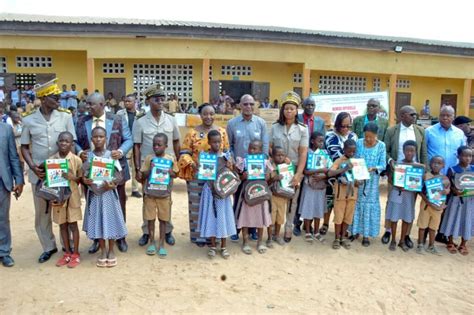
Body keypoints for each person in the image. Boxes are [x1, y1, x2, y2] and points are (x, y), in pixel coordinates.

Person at [21, 78, 77, 263]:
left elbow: (72, 144)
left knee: (63, 208)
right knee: (42, 212)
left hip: (61, 173)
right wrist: (33, 167)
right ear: (44, 99)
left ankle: (67, 245)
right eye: (55, 97)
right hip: (40, 173)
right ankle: (48, 246)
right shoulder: (29, 120)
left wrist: (72, 169)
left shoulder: (65, 116)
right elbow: (24, 147)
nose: (59, 99)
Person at [75, 92, 132, 254]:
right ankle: (96, 238)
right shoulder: (81, 121)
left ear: (101, 104)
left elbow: (128, 139)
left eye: (90, 104)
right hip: (91, 173)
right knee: (93, 205)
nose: (87, 107)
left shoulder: (117, 119)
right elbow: (75, 142)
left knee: (118, 204)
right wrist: (80, 153)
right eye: (87, 104)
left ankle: (119, 237)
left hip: (114, 170)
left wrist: (120, 151)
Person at [133, 84, 180, 247]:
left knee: (166, 199)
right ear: (148, 101)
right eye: (156, 99)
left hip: (166, 168)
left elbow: (175, 142)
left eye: (162, 99)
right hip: (149, 168)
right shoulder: (140, 122)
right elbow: (136, 146)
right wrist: (138, 169)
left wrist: (178, 163)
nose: (160, 102)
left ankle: (167, 231)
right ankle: (147, 231)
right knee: (148, 199)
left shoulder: (171, 120)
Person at [178, 103, 229, 245]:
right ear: (200, 115)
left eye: (212, 113)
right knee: (197, 206)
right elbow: (184, 153)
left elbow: (227, 152)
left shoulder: (222, 132)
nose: (208, 117)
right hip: (197, 176)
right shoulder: (192, 133)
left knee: (215, 206)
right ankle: (198, 237)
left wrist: (226, 163)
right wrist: (192, 163)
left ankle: (216, 236)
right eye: (205, 114)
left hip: (217, 177)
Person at [381, 105, 427, 246]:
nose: (415, 117)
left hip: (414, 174)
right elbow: (385, 150)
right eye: (411, 114)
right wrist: (390, 162)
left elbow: (423, 152)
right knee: (393, 202)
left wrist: (425, 172)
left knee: (410, 204)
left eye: (415, 114)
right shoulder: (391, 131)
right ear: (402, 116)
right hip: (396, 173)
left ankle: (406, 235)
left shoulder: (420, 131)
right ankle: (389, 230)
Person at [82, 127, 127, 267]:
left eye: (101, 136)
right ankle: (102, 250)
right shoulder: (89, 156)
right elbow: (84, 174)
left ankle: (111, 250)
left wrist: (113, 183)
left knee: (110, 221)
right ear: (91, 139)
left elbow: (119, 174)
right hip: (95, 195)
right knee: (98, 222)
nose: (98, 139)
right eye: (95, 137)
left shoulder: (110, 155)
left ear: (106, 138)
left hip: (108, 195)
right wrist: (85, 180)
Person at [227, 94, 269, 241]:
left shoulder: (261, 123)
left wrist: (259, 169)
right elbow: (229, 146)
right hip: (239, 171)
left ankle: (253, 229)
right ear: (240, 106)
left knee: (256, 197)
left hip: (257, 171)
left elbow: (264, 148)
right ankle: (235, 229)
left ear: (255, 105)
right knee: (238, 198)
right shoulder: (232, 124)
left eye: (251, 104)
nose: (248, 107)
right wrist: (235, 166)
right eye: (245, 104)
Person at [270, 91, 308, 242]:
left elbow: (303, 153)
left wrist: (298, 174)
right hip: (277, 169)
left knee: (292, 200)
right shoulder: (275, 127)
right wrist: (279, 159)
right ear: (282, 110)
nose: (289, 111)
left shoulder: (303, 129)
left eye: (292, 108)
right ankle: (273, 229)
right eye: (286, 108)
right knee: (276, 198)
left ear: (296, 110)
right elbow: (270, 147)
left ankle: (288, 227)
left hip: (293, 169)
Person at [197, 130, 236, 259]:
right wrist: (200, 166)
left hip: (223, 193)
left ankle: (224, 246)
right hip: (209, 191)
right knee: (211, 217)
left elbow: (230, 174)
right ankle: (213, 246)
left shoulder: (226, 156)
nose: (217, 144)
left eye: (219, 142)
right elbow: (201, 174)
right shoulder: (205, 156)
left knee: (223, 217)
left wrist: (230, 166)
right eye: (214, 142)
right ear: (209, 142)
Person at [140, 133, 179, 258]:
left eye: (159, 145)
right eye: (154, 145)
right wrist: (150, 170)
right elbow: (143, 175)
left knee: (163, 220)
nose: (156, 147)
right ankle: (152, 242)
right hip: (150, 194)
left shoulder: (170, 159)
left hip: (164, 195)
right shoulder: (149, 158)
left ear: (166, 146)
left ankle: (162, 244)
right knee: (150, 219)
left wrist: (170, 171)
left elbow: (176, 174)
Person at [49, 132, 83, 268]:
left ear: (72, 144)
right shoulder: (52, 160)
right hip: (58, 198)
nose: (63, 143)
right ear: (57, 143)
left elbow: (81, 179)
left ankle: (75, 253)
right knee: (62, 225)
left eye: (67, 141)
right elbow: (48, 180)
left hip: (73, 198)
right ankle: (67, 252)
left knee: (73, 225)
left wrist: (71, 177)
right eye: (61, 141)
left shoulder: (76, 160)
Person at [321, 112, 357, 236]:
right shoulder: (330, 135)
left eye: (348, 126)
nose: (346, 129)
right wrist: (338, 167)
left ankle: (343, 229)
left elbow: (355, 154)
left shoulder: (353, 136)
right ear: (337, 125)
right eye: (343, 126)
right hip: (333, 172)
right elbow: (329, 153)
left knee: (346, 202)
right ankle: (325, 224)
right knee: (330, 199)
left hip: (350, 174)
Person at [350, 122, 386, 246]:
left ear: (376, 135)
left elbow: (383, 164)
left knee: (369, 206)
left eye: (371, 137)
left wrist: (373, 168)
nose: (368, 139)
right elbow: (353, 159)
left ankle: (366, 235)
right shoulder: (359, 143)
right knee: (356, 205)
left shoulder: (381, 146)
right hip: (358, 179)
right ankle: (354, 232)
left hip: (372, 182)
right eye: (366, 136)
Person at [235, 140, 273, 254]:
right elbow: (238, 178)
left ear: (261, 150)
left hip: (261, 194)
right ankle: (245, 242)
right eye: (250, 148)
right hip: (247, 194)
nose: (252, 150)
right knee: (245, 217)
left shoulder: (265, 162)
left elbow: (269, 179)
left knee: (261, 218)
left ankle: (260, 242)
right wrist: (243, 176)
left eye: (255, 148)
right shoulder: (243, 161)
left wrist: (267, 176)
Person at [385, 140, 420, 252]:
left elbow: (418, 183)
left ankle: (402, 240)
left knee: (406, 218)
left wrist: (414, 186)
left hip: (409, 196)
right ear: (403, 151)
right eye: (407, 150)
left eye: (412, 151)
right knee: (394, 218)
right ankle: (393, 240)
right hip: (397, 193)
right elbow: (390, 179)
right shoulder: (397, 165)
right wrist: (397, 185)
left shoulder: (417, 167)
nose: (409, 153)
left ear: (415, 152)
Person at [299, 132, 332, 243]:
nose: (321, 143)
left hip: (320, 185)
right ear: (312, 141)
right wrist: (320, 170)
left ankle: (316, 232)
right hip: (309, 184)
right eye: (319, 141)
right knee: (308, 207)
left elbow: (329, 169)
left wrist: (323, 175)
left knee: (318, 207)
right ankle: (308, 231)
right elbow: (305, 171)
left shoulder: (324, 154)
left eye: (323, 141)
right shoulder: (307, 152)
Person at [440, 146, 473, 255]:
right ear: (458, 156)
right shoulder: (453, 169)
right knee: (452, 219)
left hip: (470, 201)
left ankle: (463, 244)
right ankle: (450, 242)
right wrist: (454, 190)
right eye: (464, 155)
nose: (467, 158)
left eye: (470, 156)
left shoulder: (473, 169)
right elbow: (448, 185)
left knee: (467, 220)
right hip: (455, 200)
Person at [0, 122, 24, 267]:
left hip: (2, 181)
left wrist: (19, 179)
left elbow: (13, 156)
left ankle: (3, 252)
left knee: (2, 218)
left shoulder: (6, 129)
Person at [327, 139, 359, 250]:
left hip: (352, 195)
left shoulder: (357, 162)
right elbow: (330, 173)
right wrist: (344, 169)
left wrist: (359, 182)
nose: (351, 154)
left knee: (348, 217)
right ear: (344, 150)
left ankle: (343, 237)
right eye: (349, 151)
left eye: (353, 152)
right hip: (340, 194)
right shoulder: (339, 161)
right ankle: (336, 238)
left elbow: (361, 178)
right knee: (339, 217)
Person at [416, 156, 450, 255]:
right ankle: (420, 245)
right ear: (430, 164)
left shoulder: (445, 178)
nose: (436, 165)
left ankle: (431, 245)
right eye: (434, 163)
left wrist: (446, 191)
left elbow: (448, 189)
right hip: (426, 206)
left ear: (443, 165)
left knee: (433, 227)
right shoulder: (426, 176)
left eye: (439, 163)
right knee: (422, 226)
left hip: (438, 208)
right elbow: (419, 190)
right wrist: (427, 201)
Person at [117, 94, 144, 198]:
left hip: (137, 143)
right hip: (125, 143)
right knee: (124, 166)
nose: (127, 103)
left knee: (136, 166)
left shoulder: (140, 114)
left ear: (135, 102)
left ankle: (135, 189)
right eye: (125, 101)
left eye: (129, 101)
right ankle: (122, 189)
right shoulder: (120, 113)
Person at [426, 106, 466, 175]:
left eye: (448, 115)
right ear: (439, 116)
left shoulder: (459, 133)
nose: (445, 118)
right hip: (433, 174)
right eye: (442, 115)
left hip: (454, 173)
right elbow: (423, 152)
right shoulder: (429, 131)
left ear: (453, 117)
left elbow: (463, 153)